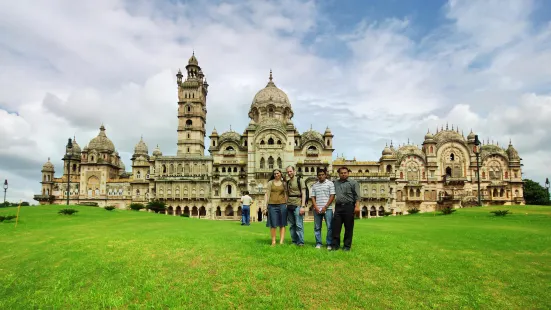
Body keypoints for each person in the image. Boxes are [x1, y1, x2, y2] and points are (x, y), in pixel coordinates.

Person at [332, 166, 360, 251]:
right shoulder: (335, 183)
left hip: (349, 206)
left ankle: (347, 246)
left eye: (345, 173)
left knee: (348, 227)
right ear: (339, 174)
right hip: (338, 207)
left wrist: (357, 206)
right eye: (341, 173)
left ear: (348, 173)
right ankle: (335, 246)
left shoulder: (353, 183)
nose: (343, 174)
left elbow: (357, 196)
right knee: (336, 227)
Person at [310, 168, 335, 249]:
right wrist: (316, 207)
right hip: (317, 209)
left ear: (325, 175)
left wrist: (325, 207)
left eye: (322, 175)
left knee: (330, 227)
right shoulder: (314, 185)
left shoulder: (330, 183)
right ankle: (318, 243)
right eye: (319, 175)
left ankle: (329, 244)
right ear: (317, 176)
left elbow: (332, 196)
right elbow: (313, 197)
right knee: (317, 227)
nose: (321, 176)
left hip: (328, 209)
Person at [265, 169, 288, 246]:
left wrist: (287, 204)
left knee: (282, 224)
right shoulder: (270, 183)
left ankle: (281, 241)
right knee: (273, 224)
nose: (276, 175)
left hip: (282, 204)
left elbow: (286, 194)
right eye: (274, 174)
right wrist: (265, 206)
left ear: (281, 174)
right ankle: (273, 241)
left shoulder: (284, 183)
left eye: (277, 173)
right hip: (272, 205)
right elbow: (267, 194)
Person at [285, 166, 306, 246]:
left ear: (294, 171)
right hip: (289, 204)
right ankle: (294, 241)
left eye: (290, 171)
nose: (289, 173)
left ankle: (300, 242)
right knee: (291, 225)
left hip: (298, 204)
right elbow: (287, 194)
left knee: (299, 224)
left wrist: (303, 206)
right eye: (288, 172)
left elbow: (303, 193)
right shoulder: (287, 182)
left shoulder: (300, 180)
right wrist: (286, 204)